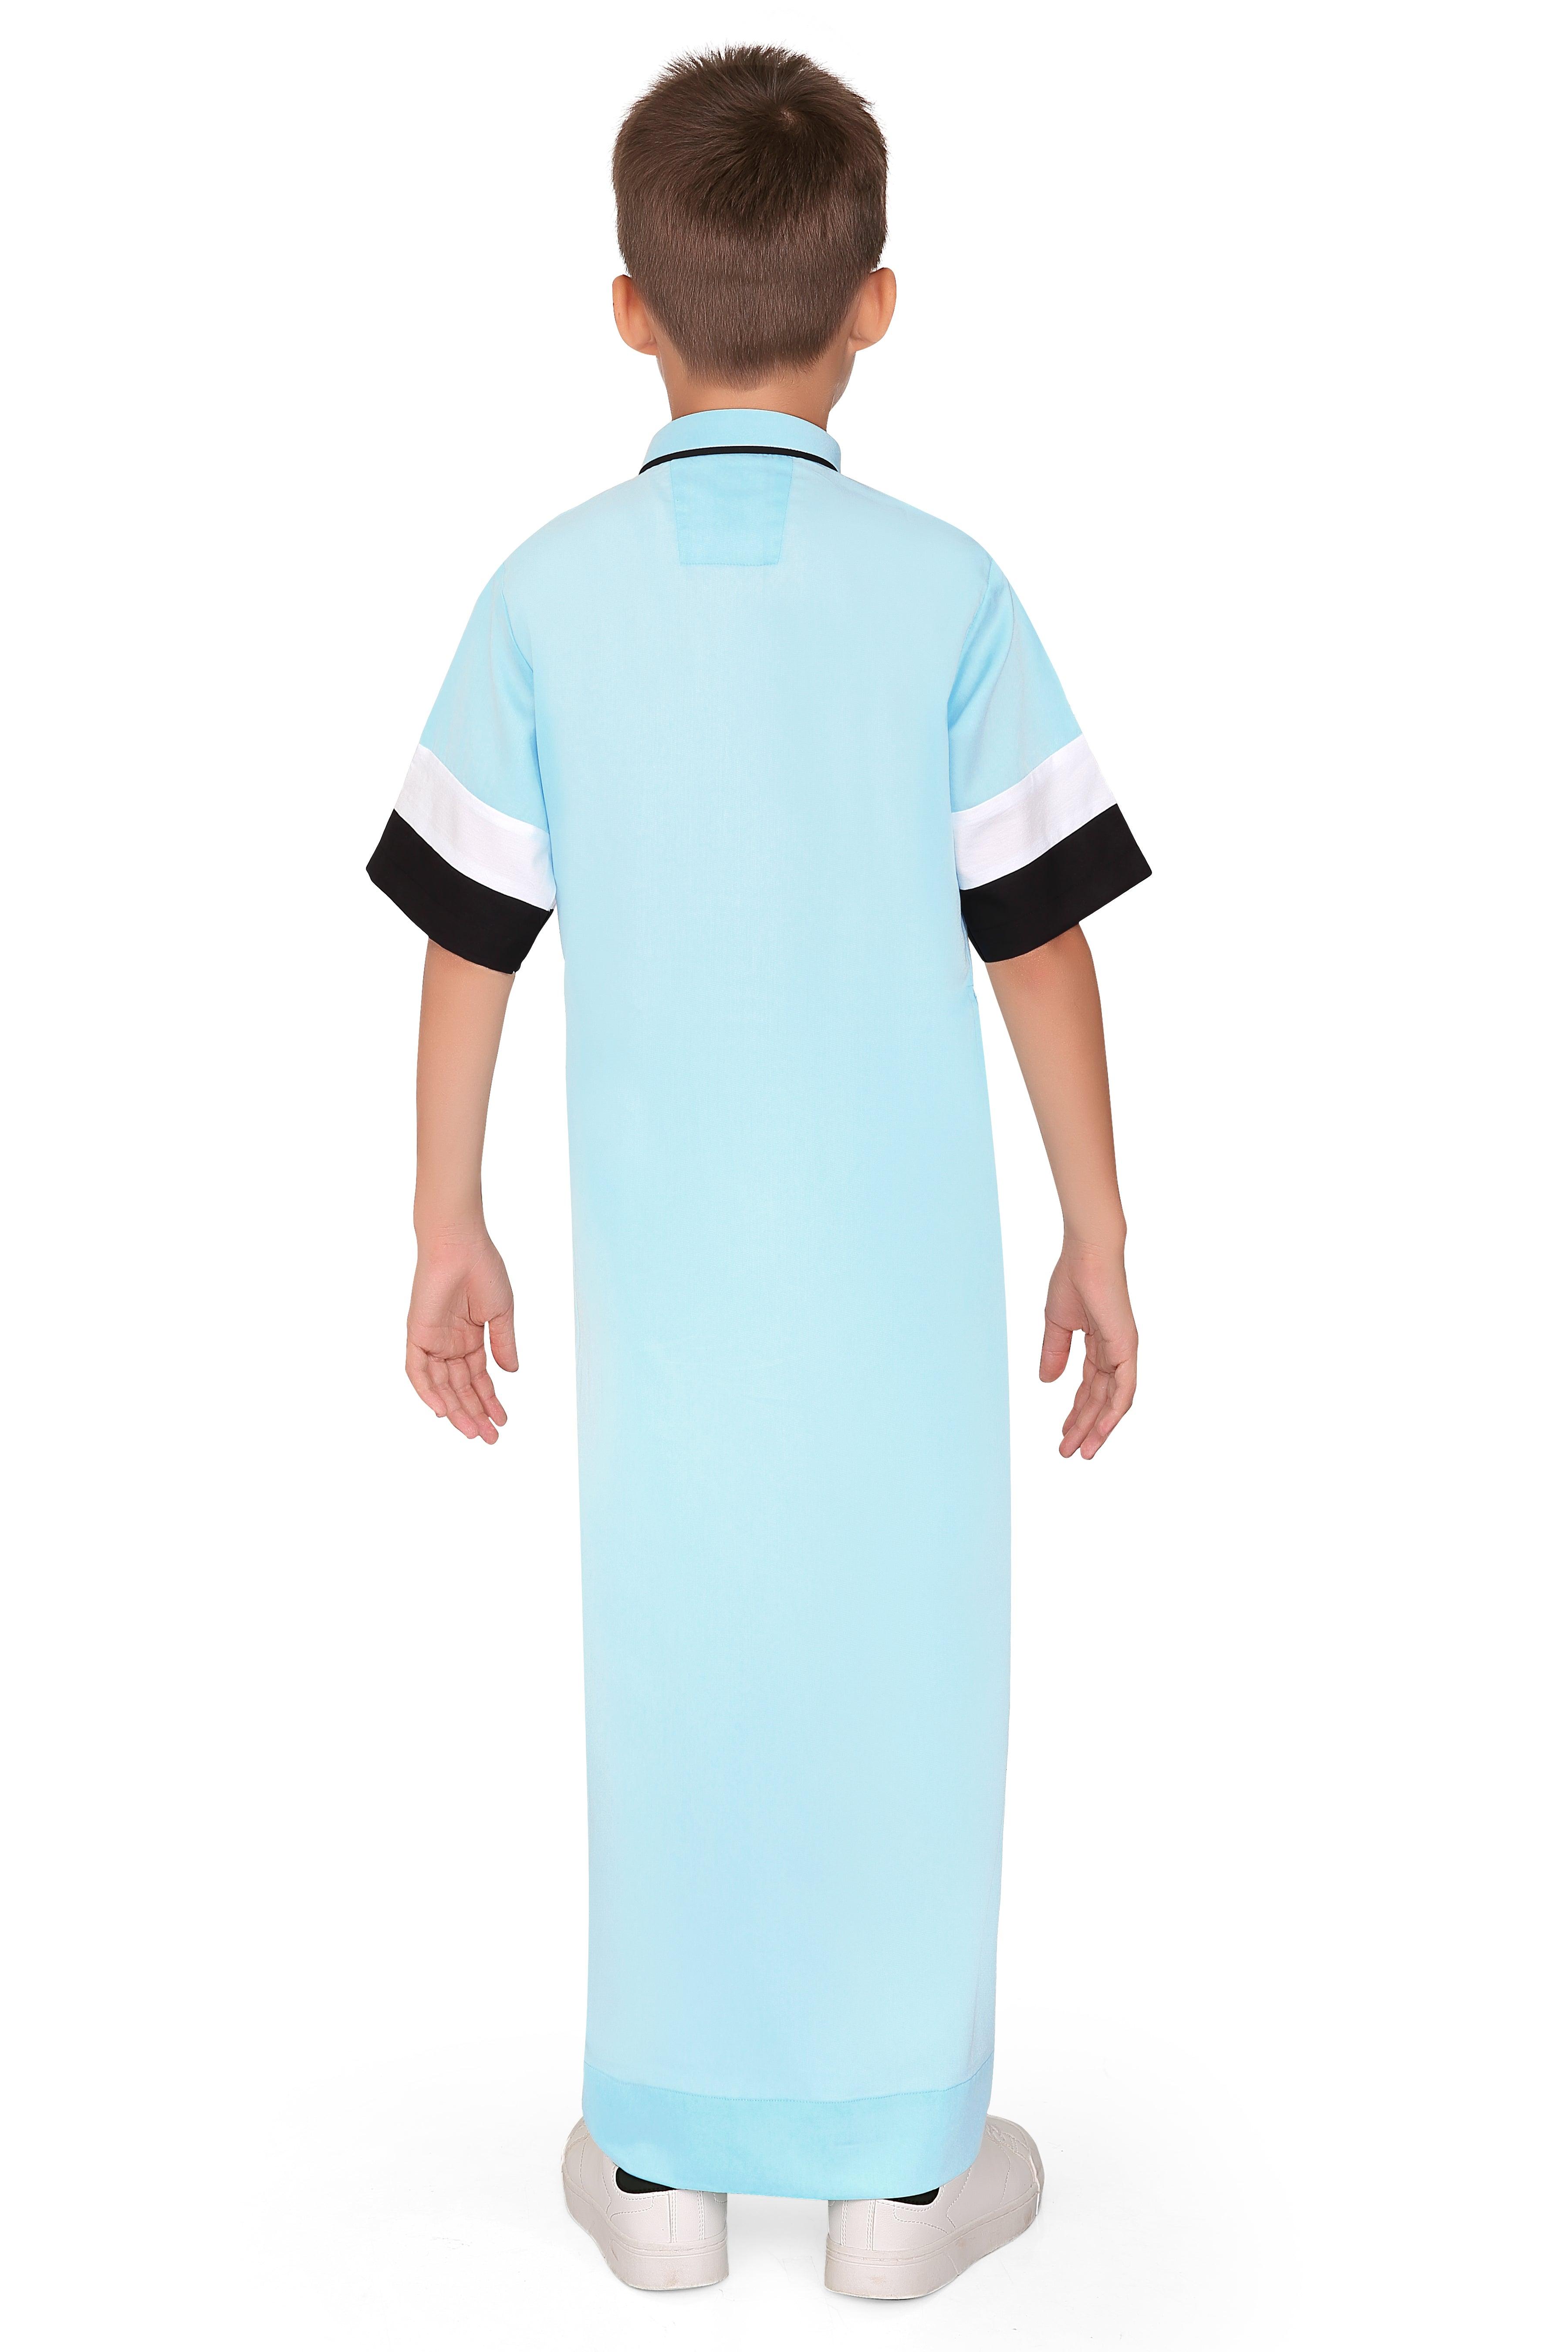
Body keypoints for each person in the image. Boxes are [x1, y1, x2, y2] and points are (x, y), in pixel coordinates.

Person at [368, 44, 1149, 2302]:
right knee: (906, 1658)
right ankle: (901, 2180)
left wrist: (446, 1218)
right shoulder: (950, 591)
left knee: (678, 1652)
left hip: (666, 1293)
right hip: (899, 1291)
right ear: (874, 305)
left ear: (631, 309)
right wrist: (1100, 1226)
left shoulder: (544, 593)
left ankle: (661, 2165)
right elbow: (1039, 934)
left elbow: (468, 935)